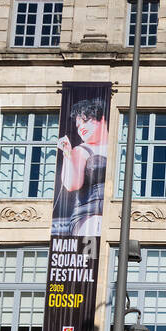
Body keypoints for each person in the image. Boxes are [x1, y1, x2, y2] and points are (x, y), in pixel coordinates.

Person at [55, 97, 109, 238]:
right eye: (78, 126)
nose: (82, 128)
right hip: (89, 213)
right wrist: (67, 154)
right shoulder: (81, 150)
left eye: (85, 121)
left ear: (101, 119)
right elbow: (71, 185)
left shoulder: (119, 147)